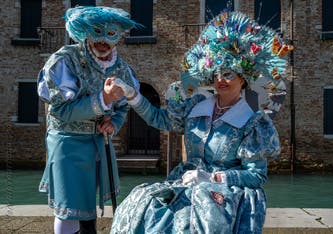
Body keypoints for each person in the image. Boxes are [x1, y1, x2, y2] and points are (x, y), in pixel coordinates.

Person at [110, 10, 292, 234]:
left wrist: (212, 177)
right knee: (143, 199)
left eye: (228, 74)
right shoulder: (196, 106)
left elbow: (256, 176)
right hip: (186, 182)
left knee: (196, 214)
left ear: (244, 77)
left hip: (226, 190)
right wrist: (133, 97)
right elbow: (159, 119)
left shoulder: (252, 121)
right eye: (216, 73)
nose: (220, 80)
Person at [37, 6, 140, 234]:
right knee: (69, 205)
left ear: (118, 38)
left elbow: (123, 107)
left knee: (87, 204)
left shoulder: (121, 68)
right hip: (67, 141)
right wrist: (103, 98)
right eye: (97, 34)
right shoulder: (65, 61)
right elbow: (61, 110)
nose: (103, 42)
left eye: (110, 35)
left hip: (97, 143)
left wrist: (114, 123)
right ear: (86, 33)